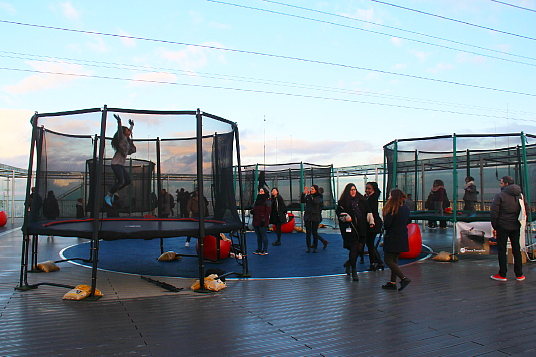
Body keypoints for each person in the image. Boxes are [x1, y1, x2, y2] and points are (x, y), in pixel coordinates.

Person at [489, 176, 525, 282]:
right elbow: (525, 210)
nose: (500, 185)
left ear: (506, 184)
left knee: (502, 250)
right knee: (516, 249)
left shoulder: (500, 196)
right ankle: (519, 274)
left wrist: (495, 226)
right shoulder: (520, 195)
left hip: (503, 226)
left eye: (501, 183)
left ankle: (502, 274)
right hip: (516, 225)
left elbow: (494, 212)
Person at [336, 183, 374, 281]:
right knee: (353, 248)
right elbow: (339, 213)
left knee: (359, 249)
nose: (353, 191)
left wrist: (371, 221)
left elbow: (368, 211)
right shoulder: (343, 202)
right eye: (351, 190)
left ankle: (349, 263)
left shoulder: (361, 201)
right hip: (351, 229)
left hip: (361, 228)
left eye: (355, 189)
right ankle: (354, 270)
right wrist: (345, 217)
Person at [381, 189, 412, 291]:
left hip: (392, 237)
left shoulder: (392, 209)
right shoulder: (405, 208)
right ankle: (392, 282)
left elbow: (386, 225)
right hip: (402, 236)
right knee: (395, 260)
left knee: (388, 260)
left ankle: (403, 278)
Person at [105, 114, 136, 207]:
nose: (129, 132)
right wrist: (119, 121)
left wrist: (132, 125)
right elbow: (119, 130)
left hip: (120, 165)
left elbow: (130, 131)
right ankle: (108, 195)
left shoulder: (127, 139)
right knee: (121, 181)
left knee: (128, 181)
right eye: (127, 130)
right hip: (116, 164)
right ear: (124, 132)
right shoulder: (121, 137)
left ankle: (115, 191)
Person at [301, 184, 329, 253]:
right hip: (308, 216)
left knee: (314, 232)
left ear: (316, 190)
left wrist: (310, 196)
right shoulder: (308, 196)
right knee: (308, 232)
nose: (311, 190)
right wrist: (303, 194)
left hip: (315, 216)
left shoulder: (318, 197)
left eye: (312, 189)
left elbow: (314, 202)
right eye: (311, 189)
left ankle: (315, 246)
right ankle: (308, 246)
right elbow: (302, 201)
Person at [365, 182, 384, 271]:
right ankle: (378, 262)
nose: (367, 190)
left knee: (370, 243)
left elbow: (368, 209)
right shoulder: (369, 197)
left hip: (373, 223)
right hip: (372, 222)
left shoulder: (372, 198)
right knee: (370, 243)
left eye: (369, 189)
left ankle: (374, 263)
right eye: (367, 188)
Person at [251, 187, 271, 255]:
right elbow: (255, 208)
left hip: (263, 220)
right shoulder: (257, 201)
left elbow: (268, 211)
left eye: (262, 191)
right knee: (258, 236)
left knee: (263, 235)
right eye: (259, 191)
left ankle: (265, 250)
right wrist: (252, 211)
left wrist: (264, 219)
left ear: (265, 192)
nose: (260, 193)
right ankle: (259, 249)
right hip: (256, 219)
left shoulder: (267, 201)